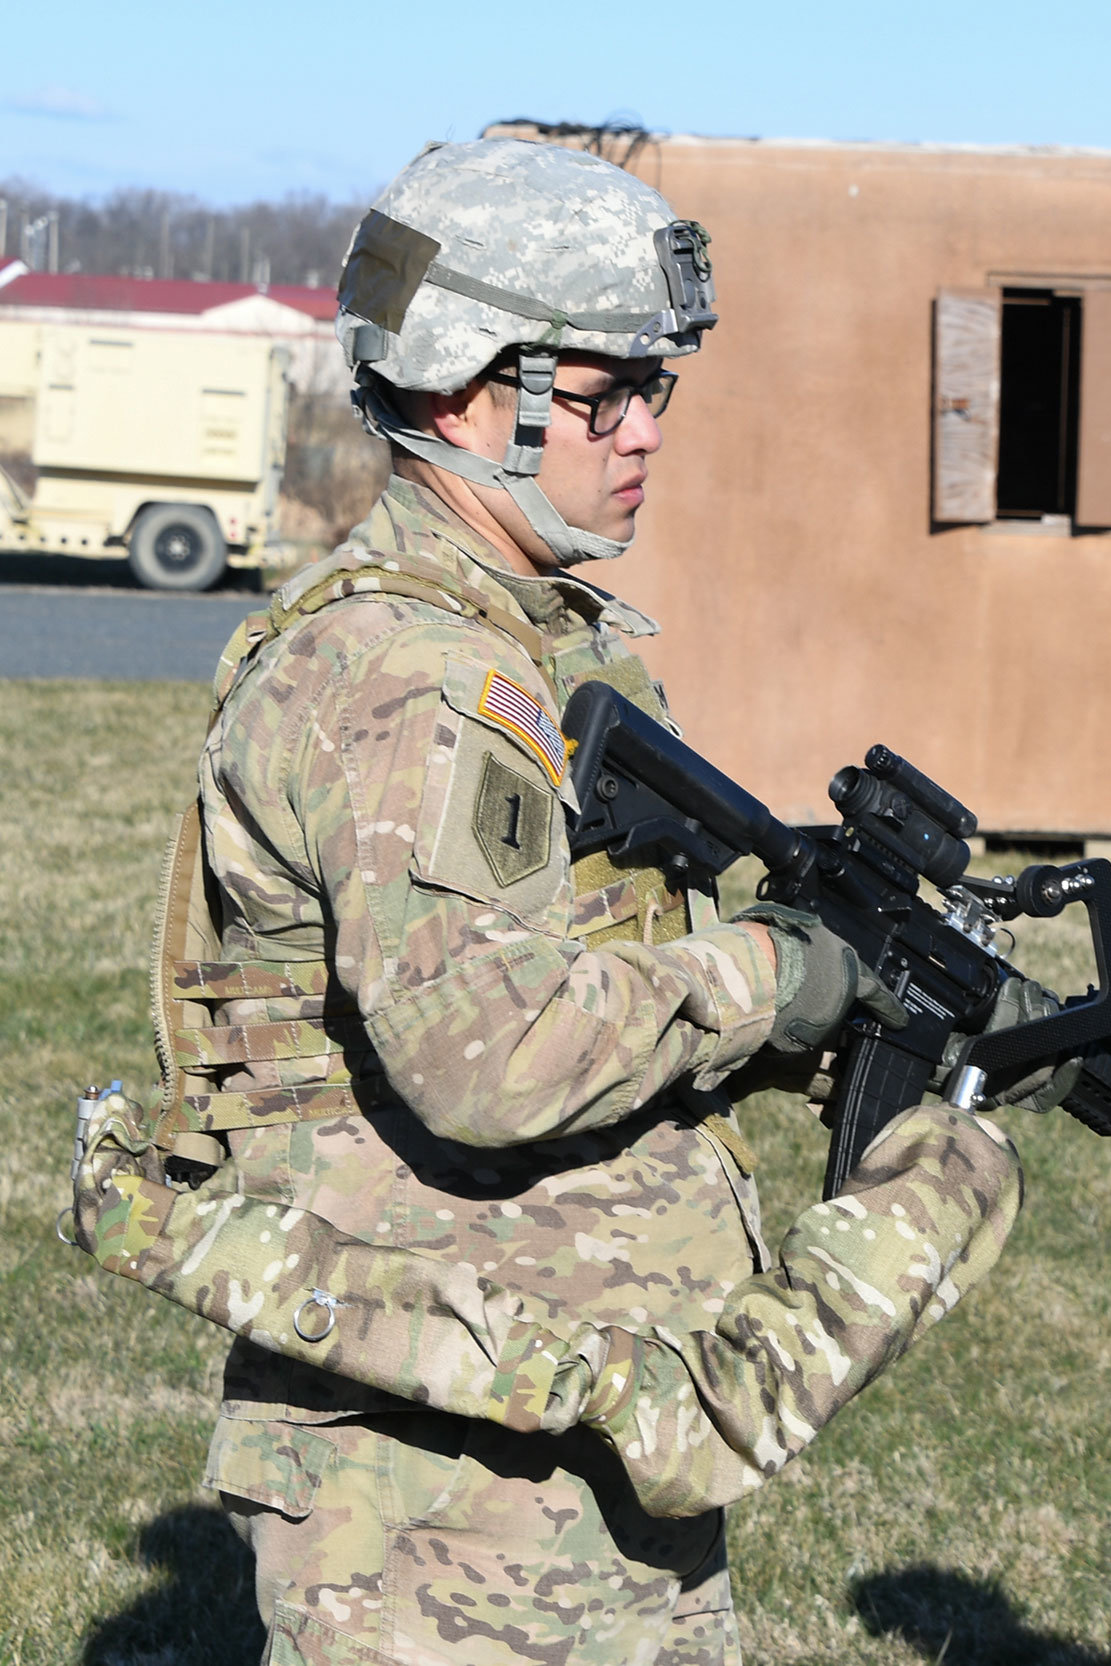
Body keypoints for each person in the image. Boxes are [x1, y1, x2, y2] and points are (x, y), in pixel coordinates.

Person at [98, 137, 1024, 1665]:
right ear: (474, 392)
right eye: (608, 395)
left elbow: (567, 966)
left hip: (553, 1411)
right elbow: (492, 1050)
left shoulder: (530, 642)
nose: (649, 430)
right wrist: (768, 978)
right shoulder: (410, 676)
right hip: (438, 1474)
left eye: (660, 390)